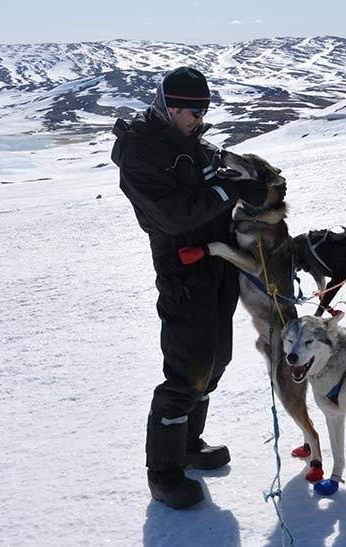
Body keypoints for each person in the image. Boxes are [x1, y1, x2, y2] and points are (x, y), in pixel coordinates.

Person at [110, 66, 267, 509]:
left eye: (204, 110)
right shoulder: (140, 152)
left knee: (217, 360)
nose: (200, 118)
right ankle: (164, 472)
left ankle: (188, 445)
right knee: (186, 371)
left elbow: (223, 173)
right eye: (192, 111)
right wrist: (224, 193)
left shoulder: (194, 143)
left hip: (218, 266)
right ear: (167, 105)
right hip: (183, 272)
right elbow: (172, 216)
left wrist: (252, 186)